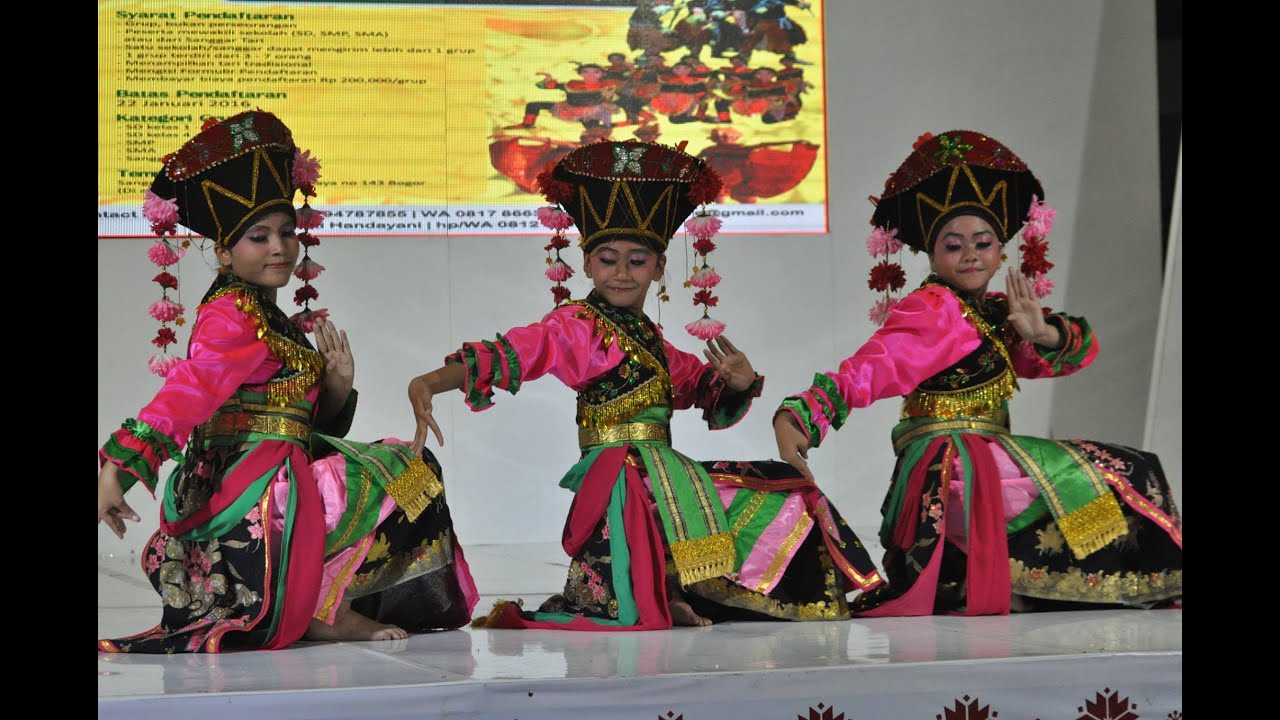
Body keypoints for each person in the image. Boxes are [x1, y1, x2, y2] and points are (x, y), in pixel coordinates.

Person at [407, 139, 883, 630]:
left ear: (658, 270)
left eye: (637, 260)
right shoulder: (577, 325)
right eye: (608, 258)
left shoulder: (650, 339)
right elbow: (514, 352)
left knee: (784, 490)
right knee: (663, 514)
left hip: (662, 475)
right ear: (588, 264)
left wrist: (737, 382)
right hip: (620, 479)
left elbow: (697, 385)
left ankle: (687, 589)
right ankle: (664, 592)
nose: (621, 272)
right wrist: (431, 381)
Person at [97, 111, 477, 653]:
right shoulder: (233, 312)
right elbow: (192, 387)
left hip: (273, 471)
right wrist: (120, 464)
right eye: (259, 237)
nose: (279, 247)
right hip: (251, 488)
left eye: (286, 232)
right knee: (403, 470)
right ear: (225, 251)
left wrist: (338, 386)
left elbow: (293, 418)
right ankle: (328, 612)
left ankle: (327, 605)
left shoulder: (263, 313)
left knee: (406, 473)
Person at [773, 129, 1183, 616]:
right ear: (932, 254)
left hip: (982, 455)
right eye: (953, 245)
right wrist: (800, 416)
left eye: (982, 242)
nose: (970, 254)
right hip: (953, 462)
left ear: (1000, 250)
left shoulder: (993, 311)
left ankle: (1036, 582)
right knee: (1125, 469)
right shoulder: (934, 309)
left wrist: (1042, 333)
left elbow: (1077, 350)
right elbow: (873, 368)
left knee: (1109, 470)